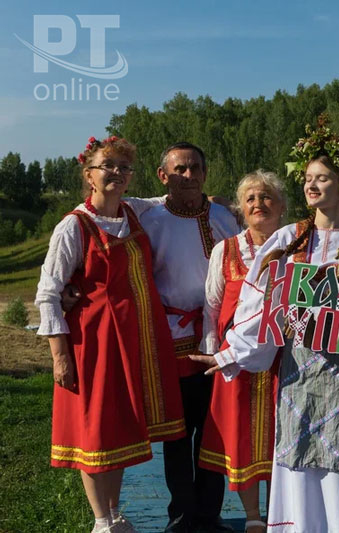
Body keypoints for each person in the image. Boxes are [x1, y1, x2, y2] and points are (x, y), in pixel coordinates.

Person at [193, 117, 339, 532]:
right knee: (301, 464)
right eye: (307, 178)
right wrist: (234, 351)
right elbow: (256, 302)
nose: (312, 186)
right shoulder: (286, 241)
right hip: (299, 371)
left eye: (323, 178)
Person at [36, 136, 185, 533]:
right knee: (94, 430)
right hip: (92, 343)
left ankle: (116, 512)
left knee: (117, 427)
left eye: (123, 167)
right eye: (108, 166)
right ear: (89, 175)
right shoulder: (74, 225)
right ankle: (101, 519)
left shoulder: (132, 212)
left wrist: (213, 201)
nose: (116, 173)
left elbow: (164, 201)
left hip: (131, 343)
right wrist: (60, 356)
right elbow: (49, 294)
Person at [138, 142, 240, 533]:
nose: (189, 175)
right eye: (179, 169)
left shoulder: (223, 217)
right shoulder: (150, 219)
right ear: (163, 176)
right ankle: (180, 515)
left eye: (196, 167)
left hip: (220, 337)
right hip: (175, 338)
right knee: (178, 432)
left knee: (213, 430)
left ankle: (210, 513)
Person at [196, 171, 286, 533]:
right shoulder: (227, 249)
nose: (258, 204)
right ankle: (252, 516)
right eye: (250, 199)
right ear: (240, 208)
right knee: (242, 435)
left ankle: (283, 510)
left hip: (284, 358)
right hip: (236, 360)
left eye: (265, 197)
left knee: (281, 433)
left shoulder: (296, 244)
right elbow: (212, 305)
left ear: (281, 206)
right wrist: (212, 351)